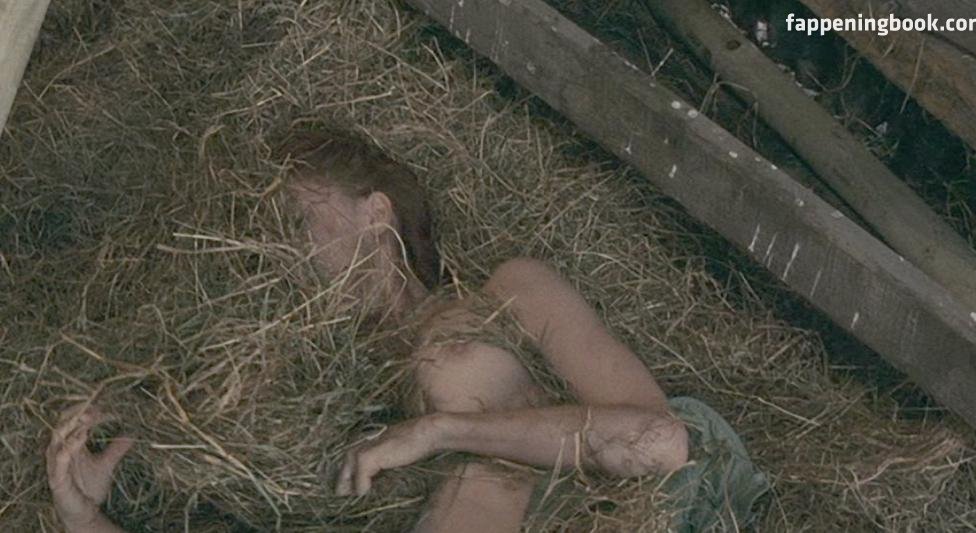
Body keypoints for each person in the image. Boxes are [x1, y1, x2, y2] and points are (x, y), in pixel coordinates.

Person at [47, 129, 767, 532]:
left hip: (626, 507)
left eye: (297, 218)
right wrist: (85, 518)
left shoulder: (506, 293)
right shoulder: (318, 397)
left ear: (376, 213)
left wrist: (440, 431)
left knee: (455, 370)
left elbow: (662, 442)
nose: (279, 246)